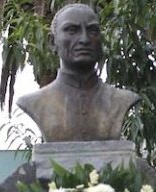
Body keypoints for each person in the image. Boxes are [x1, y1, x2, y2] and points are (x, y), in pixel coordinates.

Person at [16, 3, 140, 142]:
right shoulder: (35, 102)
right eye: (72, 30)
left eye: (92, 31)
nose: (84, 39)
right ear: (52, 42)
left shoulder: (121, 100)